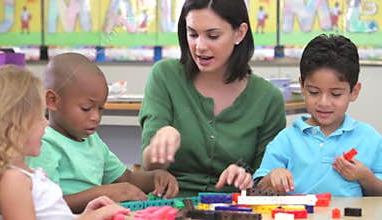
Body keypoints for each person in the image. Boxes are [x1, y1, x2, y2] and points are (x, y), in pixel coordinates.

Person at [139, 0, 286, 197]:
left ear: (239, 33)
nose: (199, 46)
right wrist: (160, 143)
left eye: (213, 36)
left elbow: (265, 181)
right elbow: (149, 168)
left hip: (234, 208)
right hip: (170, 205)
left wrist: (245, 178)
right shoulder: (164, 76)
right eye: (192, 34)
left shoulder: (268, 98)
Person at [26, 53, 179, 213]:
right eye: (86, 108)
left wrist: (155, 177)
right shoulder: (42, 144)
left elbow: (126, 178)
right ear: (52, 100)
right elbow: (46, 205)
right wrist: (105, 193)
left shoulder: (92, 140)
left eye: (100, 109)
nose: (96, 117)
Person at [0, 65, 129, 220]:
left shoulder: (26, 174)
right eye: (39, 117)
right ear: (14, 125)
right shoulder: (14, 180)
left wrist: (82, 215)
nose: (45, 123)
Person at [253, 34, 382, 196]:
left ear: (354, 91)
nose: (323, 102)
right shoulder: (287, 139)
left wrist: (365, 176)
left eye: (335, 94)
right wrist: (271, 177)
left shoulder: (369, 138)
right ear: (302, 86)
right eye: (314, 92)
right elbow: (258, 189)